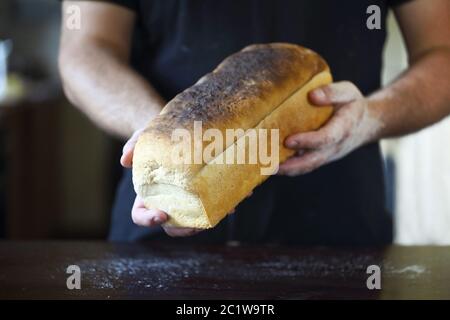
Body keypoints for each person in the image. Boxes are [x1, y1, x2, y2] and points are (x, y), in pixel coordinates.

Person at [58, 0, 450, 245]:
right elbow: (85, 48)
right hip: (159, 222)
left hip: (334, 230)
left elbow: (442, 54)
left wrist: (371, 117)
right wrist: (162, 130)